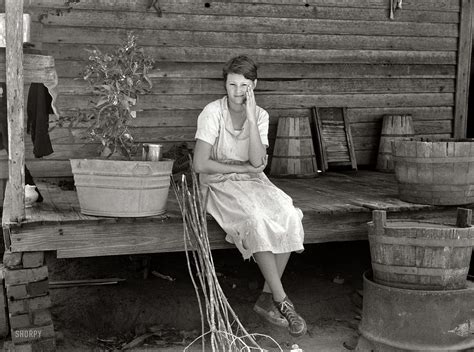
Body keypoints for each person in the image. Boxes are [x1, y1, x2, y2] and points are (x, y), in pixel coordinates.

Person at [193, 55, 307, 337]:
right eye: (232, 85)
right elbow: (200, 163)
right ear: (225, 85)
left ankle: (268, 298)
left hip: (254, 181)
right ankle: (281, 300)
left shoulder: (261, 116)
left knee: (288, 213)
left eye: (244, 85)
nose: (237, 92)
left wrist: (252, 119)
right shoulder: (212, 113)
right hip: (219, 184)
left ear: (253, 86)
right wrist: (241, 167)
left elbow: (258, 162)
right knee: (256, 219)